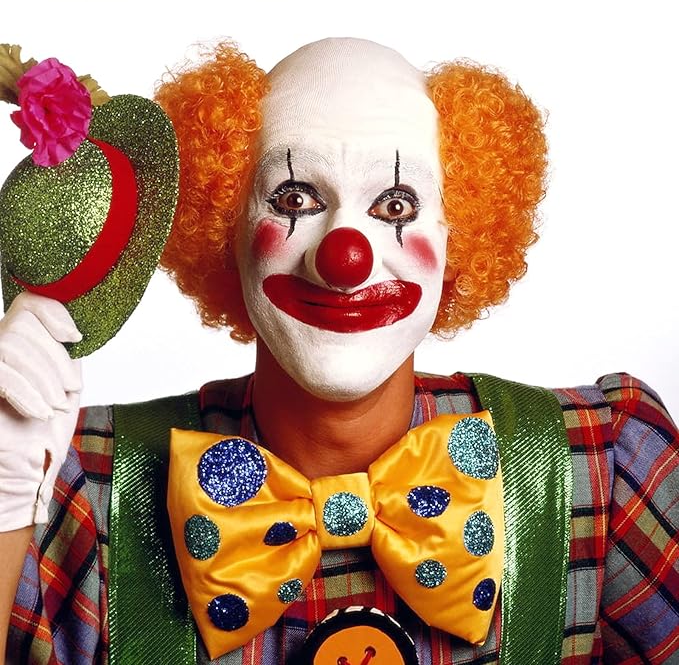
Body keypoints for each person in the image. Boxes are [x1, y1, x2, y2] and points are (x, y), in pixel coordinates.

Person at [1, 37, 678, 664]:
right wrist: (3, 505)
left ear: (460, 233)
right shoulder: (82, 489)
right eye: (295, 197)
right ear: (225, 228)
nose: (344, 257)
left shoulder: (599, 471)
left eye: (395, 205)